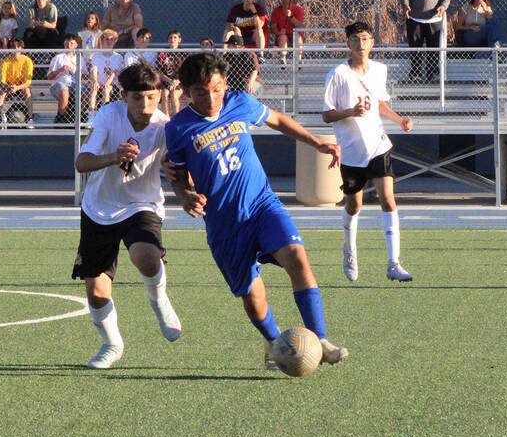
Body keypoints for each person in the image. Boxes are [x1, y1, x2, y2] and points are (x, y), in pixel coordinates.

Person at [164, 52, 348, 369]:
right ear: (187, 92)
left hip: (262, 204)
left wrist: (317, 143)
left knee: (298, 258)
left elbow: (278, 121)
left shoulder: (241, 103)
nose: (211, 97)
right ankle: (276, 344)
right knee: (253, 296)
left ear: (225, 83)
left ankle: (320, 339)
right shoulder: (178, 128)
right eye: (201, 92)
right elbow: (178, 176)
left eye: (217, 88)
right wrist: (184, 197)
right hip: (224, 225)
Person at [72, 62, 182, 369]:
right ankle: (112, 344)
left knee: (146, 256)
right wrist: (113, 157)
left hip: (141, 205)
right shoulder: (109, 115)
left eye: (151, 96)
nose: (145, 105)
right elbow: (82, 163)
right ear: (124, 96)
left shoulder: (164, 127)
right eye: (137, 98)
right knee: (96, 293)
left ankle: (160, 301)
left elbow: (174, 166)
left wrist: (182, 182)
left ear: (159, 95)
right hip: (99, 208)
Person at [322, 21, 415, 282]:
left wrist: (399, 120)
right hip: (352, 151)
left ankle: (394, 263)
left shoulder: (379, 70)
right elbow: (327, 115)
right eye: (355, 39)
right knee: (355, 204)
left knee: (388, 199)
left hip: (378, 145)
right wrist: (350, 112)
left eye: (365, 39)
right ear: (348, 43)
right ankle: (349, 250)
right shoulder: (337, 74)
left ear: (372, 42)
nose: (360, 44)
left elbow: (378, 103)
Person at [400, 0, 452, 81]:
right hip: (415, 18)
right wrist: (405, 5)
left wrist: (443, 6)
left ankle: (432, 73)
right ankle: (416, 74)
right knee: (415, 47)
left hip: (434, 18)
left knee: (433, 48)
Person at [0, 38, 34, 124]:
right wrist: (8, 87)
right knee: (1, 94)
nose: (15, 48)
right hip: (9, 85)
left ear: (21, 48)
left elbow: (28, 83)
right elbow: (2, 81)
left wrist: (17, 87)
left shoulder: (27, 61)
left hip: (21, 85)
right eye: (13, 46)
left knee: (28, 93)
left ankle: (30, 119)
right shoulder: (5, 61)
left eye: (18, 46)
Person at [86, 29, 123, 111]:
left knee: (106, 89)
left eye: (111, 39)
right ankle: (92, 113)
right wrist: (95, 82)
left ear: (114, 42)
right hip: (99, 83)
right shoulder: (96, 56)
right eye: (106, 39)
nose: (109, 42)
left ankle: (105, 112)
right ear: (102, 41)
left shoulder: (118, 57)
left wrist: (107, 83)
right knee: (94, 88)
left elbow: (114, 72)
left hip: (112, 84)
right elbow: (94, 70)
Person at [47, 34, 81, 123]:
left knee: (85, 91)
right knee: (64, 91)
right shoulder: (58, 58)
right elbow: (49, 77)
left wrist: (79, 73)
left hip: (74, 84)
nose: (68, 45)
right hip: (59, 84)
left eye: (71, 43)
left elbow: (85, 75)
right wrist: (61, 69)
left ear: (76, 45)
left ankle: (79, 116)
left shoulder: (80, 58)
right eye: (66, 42)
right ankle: (62, 117)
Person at [155, 30, 185, 116]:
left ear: (179, 40)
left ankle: (177, 118)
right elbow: (159, 71)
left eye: (175, 37)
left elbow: (185, 71)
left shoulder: (184, 52)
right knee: (164, 93)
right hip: (166, 81)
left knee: (174, 94)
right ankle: (166, 119)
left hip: (179, 81)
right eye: (170, 37)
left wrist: (176, 81)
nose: (172, 39)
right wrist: (169, 81)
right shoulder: (163, 53)